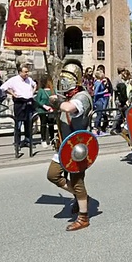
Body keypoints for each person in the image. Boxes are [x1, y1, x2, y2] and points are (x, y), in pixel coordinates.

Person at [46, 60, 93, 231]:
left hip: (77, 148)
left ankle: (83, 217)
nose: (64, 81)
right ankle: (80, 197)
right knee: (53, 174)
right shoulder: (67, 96)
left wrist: (56, 102)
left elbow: (70, 108)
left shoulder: (82, 97)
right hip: (64, 145)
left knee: (77, 181)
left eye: (68, 78)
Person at [0, 65, 37, 148]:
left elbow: (35, 85)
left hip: (28, 103)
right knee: (18, 124)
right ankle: (17, 142)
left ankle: (28, 140)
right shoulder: (14, 80)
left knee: (28, 123)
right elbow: (3, 88)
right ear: (20, 72)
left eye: (27, 71)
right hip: (19, 103)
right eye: (25, 72)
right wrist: (12, 93)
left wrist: (33, 91)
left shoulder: (29, 80)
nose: (27, 73)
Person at [33, 74, 55, 149]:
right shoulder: (41, 91)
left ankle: (52, 139)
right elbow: (38, 100)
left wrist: (53, 106)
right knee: (43, 125)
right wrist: (44, 106)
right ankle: (43, 139)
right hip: (42, 110)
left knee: (51, 125)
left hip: (51, 110)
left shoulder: (53, 90)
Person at [92, 70, 109, 136]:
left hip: (100, 100)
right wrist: (104, 91)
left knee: (100, 115)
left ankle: (99, 130)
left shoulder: (98, 82)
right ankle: (95, 129)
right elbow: (95, 93)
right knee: (99, 116)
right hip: (99, 101)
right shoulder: (98, 83)